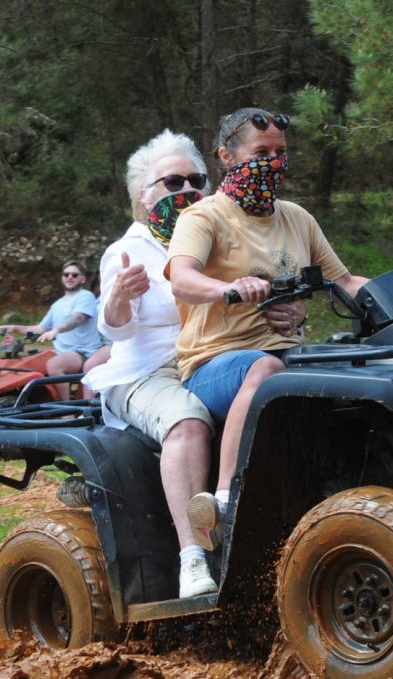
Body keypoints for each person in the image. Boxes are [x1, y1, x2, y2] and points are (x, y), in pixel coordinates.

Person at [166, 106, 393, 548]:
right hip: (214, 365)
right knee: (264, 370)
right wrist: (230, 288)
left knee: (366, 375)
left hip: (288, 356)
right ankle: (222, 504)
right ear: (226, 157)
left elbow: (346, 282)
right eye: (261, 152)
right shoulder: (204, 217)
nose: (273, 162)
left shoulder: (296, 217)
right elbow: (182, 277)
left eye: (280, 152)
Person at [81, 127, 303, 598]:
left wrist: (288, 310)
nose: (186, 190)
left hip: (210, 358)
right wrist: (119, 297)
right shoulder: (128, 249)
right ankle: (194, 556)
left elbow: (249, 296)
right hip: (147, 370)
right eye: (172, 182)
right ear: (144, 196)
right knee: (188, 421)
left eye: (194, 180)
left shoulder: (216, 230)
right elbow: (114, 331)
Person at [0, 261, 104, 400]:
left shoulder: (86, 297)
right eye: (66, 274)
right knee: (28, 363)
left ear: (82, 278)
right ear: (62, 277)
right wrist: (15, 328)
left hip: (84, 351)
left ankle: (67, 411)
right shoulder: (57, 304)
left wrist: (57, 330)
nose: (70, 277)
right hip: (62, 352)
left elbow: (78, 318)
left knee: (54, 365)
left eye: (74, 275)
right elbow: (40, 328)